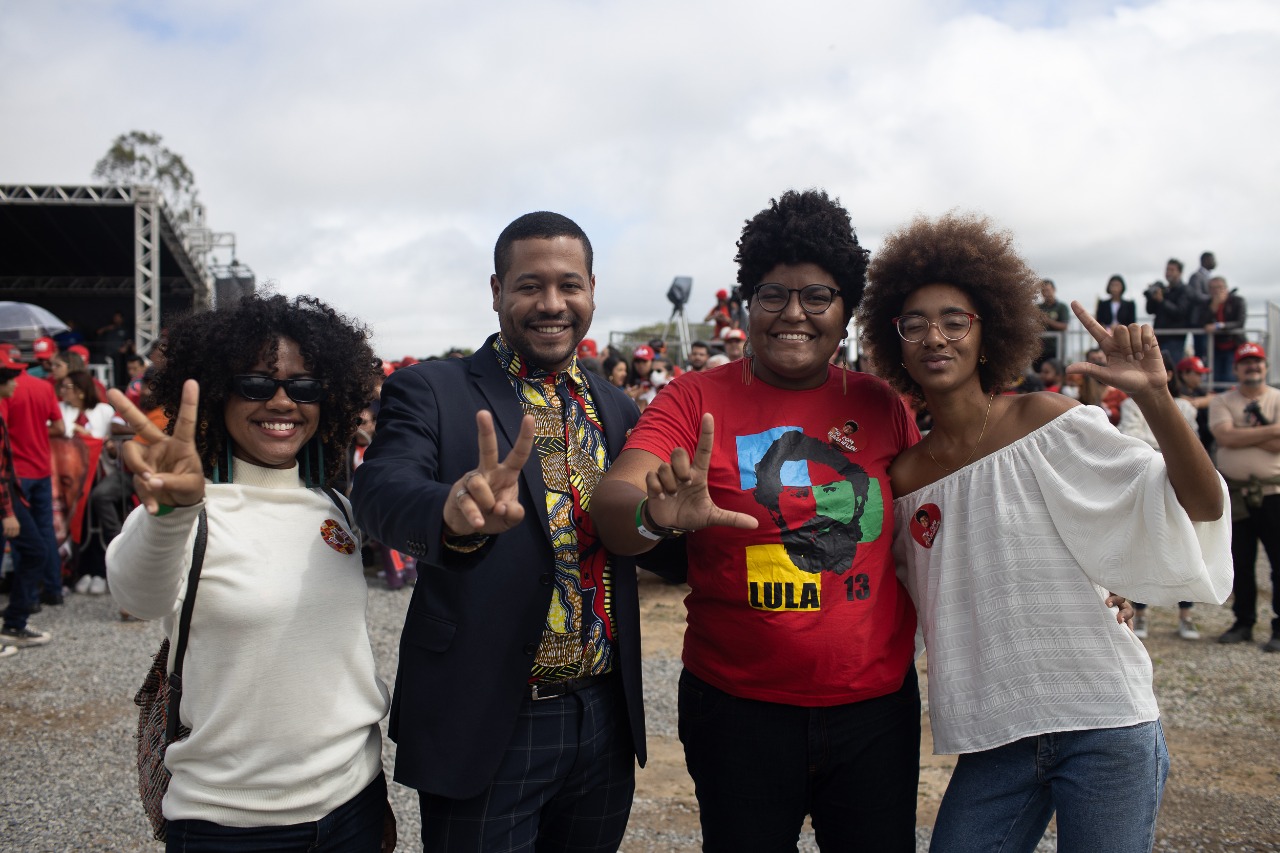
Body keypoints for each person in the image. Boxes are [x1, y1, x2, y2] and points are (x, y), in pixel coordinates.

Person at [858, 211, 1230, 853]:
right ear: (895, 342)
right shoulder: (905, 476)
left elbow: (1198, 502)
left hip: (1103, 721)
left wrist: (1156, 398)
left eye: (955, 320)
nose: (934, 337)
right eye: (913, 323)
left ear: (987, 330)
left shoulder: (1048, 420)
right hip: (994, 736)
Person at [591, 189, 922, 852]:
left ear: (846, 310)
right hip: (736, 710)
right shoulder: (694, 397)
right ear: (747, 303)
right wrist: (655, 514)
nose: (793, 313)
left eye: (817, 296)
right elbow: (610, 508)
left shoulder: (883, 405)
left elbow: (932, 529)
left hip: (874, 712)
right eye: (773, 293)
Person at [351, 211, 679, 853]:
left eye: (569, 285)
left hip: (602, 717)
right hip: (487, 715)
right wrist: (450, 512)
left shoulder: (618, 409)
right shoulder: (432, 390)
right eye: (530, 285)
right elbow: (380, 489)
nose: (551, 304)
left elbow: (638, 538)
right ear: (496, 290)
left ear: (591, 291)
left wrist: (664, 522)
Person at [106, 294, 395, 851]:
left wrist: (372, 794)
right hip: (228, 825)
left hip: (354, 803)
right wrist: (170, 515)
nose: (282, 401)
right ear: (217, 391)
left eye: (304, 386)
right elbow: (135, 596)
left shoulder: (334, 504)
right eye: (256, 384)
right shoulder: (192, 508)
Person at [1116, 351, 1203, 641]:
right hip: (1145, 481)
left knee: (1183, 543)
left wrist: (1161, 446)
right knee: (1143, 545)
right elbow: (1130, 440)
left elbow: (1192, 446)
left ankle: (1186, 615)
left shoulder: (1185, 408)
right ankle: (1140, 612)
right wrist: (1169, 445)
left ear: (1169, 374)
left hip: (1176, 482)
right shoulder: (1130, 404)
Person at [1210, 342, 1280, 652]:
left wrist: (1241, 434)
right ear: (1236, 368)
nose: (1252, 368)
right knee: (1240, 560)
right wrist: (1272, 432)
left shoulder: (1277, 398)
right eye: (1245, 363)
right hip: (1235, 494)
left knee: (1279, 561)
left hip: (1273, 492)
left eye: (1257, 362)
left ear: (1265, 367)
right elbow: (1224, 436)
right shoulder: (1223, 400)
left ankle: (1279, 627)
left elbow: (1235, 436)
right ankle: (1243, 621)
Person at [0, 357, 55, 653]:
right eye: (9, 377)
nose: (14, 383)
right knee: (36, 548)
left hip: (15, 489)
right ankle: (14, 623)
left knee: (35, 549)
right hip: (9, 496)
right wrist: (8, 512)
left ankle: (14, 622)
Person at [1193, 276, 1247, 387]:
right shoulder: (1206, 304)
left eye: (1219, 287)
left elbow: (1239, 322)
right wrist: (1213, 307)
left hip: (1233, 346)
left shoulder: (1237, 301)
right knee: (1215, 377)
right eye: (1212, 288)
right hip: (1215, 347)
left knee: (1229, 377)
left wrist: (1219, 326)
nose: (1216, 291)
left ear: (1226, 288)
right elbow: (1199, 322)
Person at [1146, 258, 1197, 365]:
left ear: (1180, 272)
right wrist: (1151, 297)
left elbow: (1180, 312)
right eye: (1167, 270)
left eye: (1172, 270)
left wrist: (1162, 301)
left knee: (1171, 370)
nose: (1168, 273)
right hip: (1159, 337)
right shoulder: (1163, 290)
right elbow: (1149, 310)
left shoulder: (1185, 290)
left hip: (1175, 339)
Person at [1036, 279, 1069, 365]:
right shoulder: (1038, 307)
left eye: (1048, 290)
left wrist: (1047, 321)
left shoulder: (1062, 307)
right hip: (1040, 348)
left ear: (1054, 290)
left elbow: (1064, 326)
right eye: (1043, 291)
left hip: (1056, 347)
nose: (1045, 293)